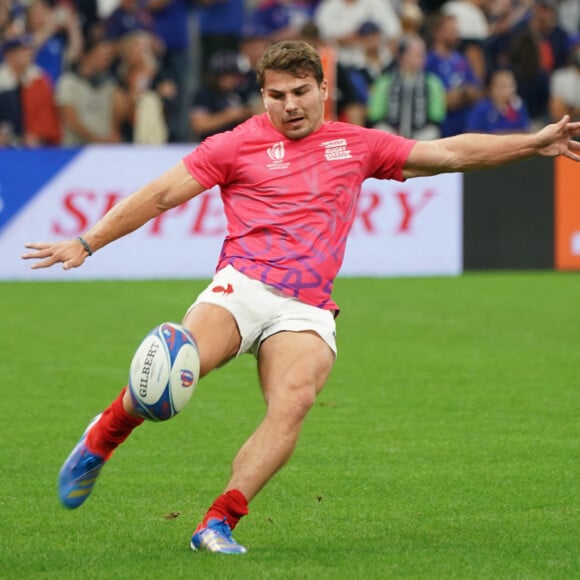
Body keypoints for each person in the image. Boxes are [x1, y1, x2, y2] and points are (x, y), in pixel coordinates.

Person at [22, 40, 580, 555]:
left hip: (306, 308)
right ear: (263, 95)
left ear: (323, 89)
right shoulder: (236, 143)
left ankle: (217, 522)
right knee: (171, 368)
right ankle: (102, 438)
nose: (290, 105)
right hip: (240, 286)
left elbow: (451, 153)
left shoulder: (356, 145)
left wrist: (533, 143)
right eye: (277, 95)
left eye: (300, 92)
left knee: (293, 403)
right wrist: (86, 241)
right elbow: (163, 193)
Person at [367, 35, 446, 139]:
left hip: (422, 134)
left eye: (422, 54)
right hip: (391, 132)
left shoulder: (432, 82)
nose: (422, 59)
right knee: (380, 129)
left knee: (432, 132)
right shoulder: (385, 81)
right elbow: (375, 114)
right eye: (417, 54)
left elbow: (437, 115)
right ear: (403, 56)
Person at [467, 68, 530, 133]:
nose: (508, 90)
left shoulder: (518, 106)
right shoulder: (481, 109)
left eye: (511, 85)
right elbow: (472, 134)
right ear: (491, 88)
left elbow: (524, 132)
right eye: (503, 86)